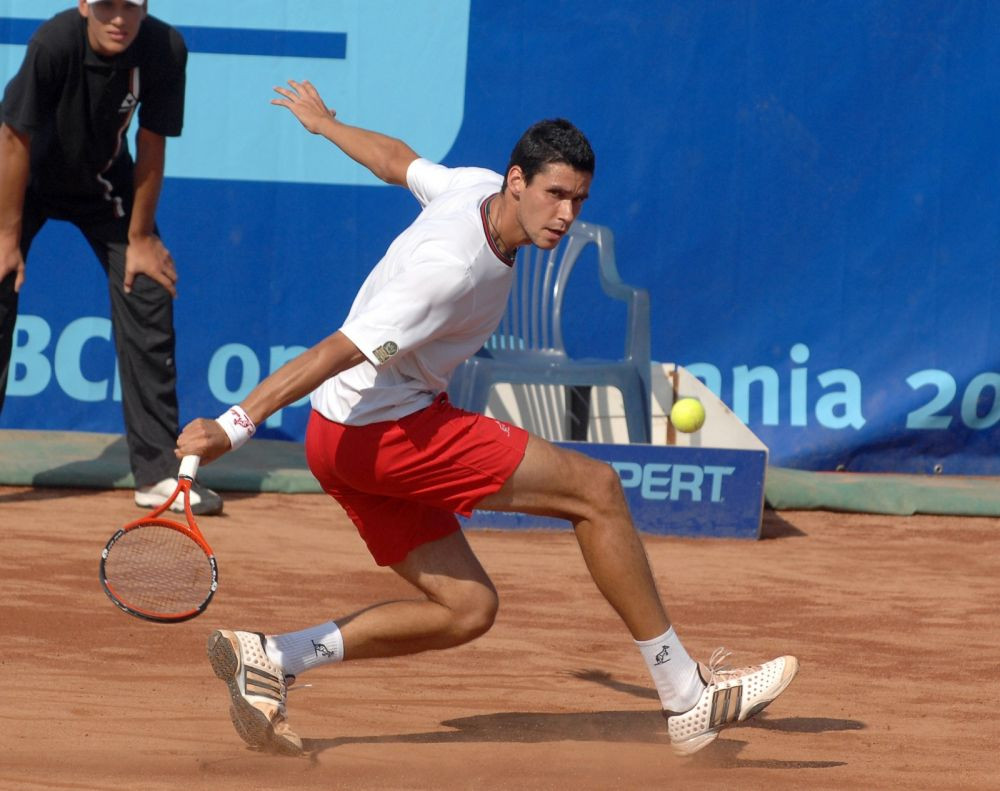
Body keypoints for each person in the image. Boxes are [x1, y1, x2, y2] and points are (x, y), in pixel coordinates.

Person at [176, 79, 799, 757]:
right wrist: (235, 425)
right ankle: (685, 694)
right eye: (555, 195)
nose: (566, 214)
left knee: (467, 608)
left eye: (579, 200)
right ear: (517, 181)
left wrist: (326, 124)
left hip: (344, 435)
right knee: (597, 491)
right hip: (382, 432)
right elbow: (337, 346)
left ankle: (275, 655)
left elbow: (396, 160)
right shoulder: (448, 271)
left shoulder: (470, 186)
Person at [0, 0, 222, 514]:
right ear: (84, 5)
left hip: (102, 182)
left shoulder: (164, 48)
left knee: (147, 284)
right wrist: (7, 237)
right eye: (106, 5)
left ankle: (158, 474)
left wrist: (141, 237)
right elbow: (13, 138)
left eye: (132, 5)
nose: (118, 17)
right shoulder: (53, 44)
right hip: (20, 185)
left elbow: (151, 140)